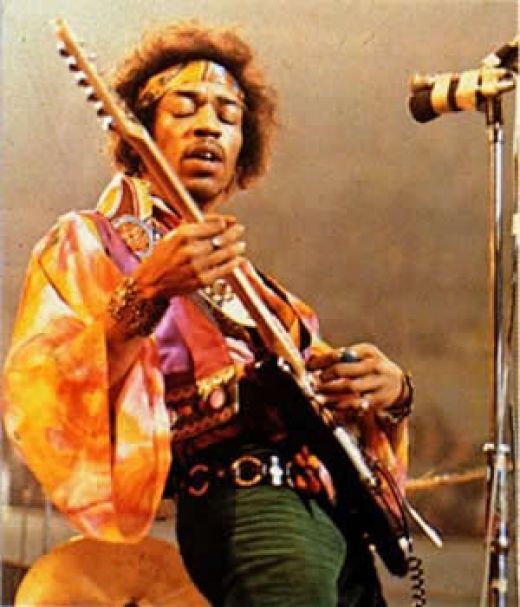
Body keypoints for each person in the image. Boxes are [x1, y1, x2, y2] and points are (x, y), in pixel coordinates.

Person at [3, 20, 413, 607]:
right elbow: (40, 389)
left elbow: (337, 413)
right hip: (252, 504)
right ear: (141, 132)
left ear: (245, 147)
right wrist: (145, 292)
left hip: (334, 523)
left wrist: (391, 395)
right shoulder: (90, 243)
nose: (207, 126)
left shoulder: (271, 299)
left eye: (228, 115)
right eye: (184, 108)